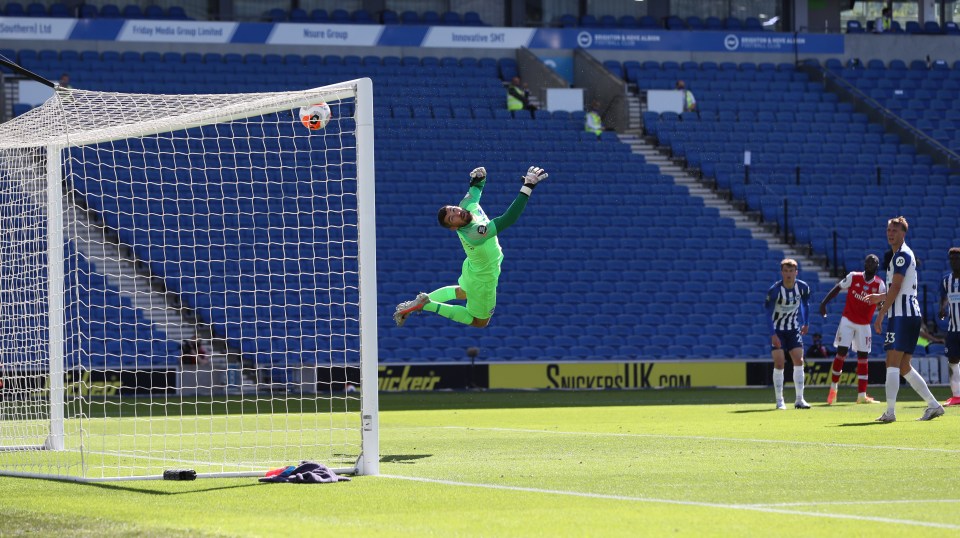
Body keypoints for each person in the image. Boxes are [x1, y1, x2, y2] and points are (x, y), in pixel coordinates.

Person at [393, 165, 549, 328]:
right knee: (479, 322)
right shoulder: (475, 234)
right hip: (483, 278)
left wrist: (479, 177)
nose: (457, 213)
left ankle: (419, 302)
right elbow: (509, 218)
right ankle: (427, 304)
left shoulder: (466, 204)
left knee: (463, 292)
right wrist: (528, 186)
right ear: (454, 228)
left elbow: (476, 188)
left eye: (454, 210)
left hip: (472, 268)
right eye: (452, 218)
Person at [867, 216, 945, 422]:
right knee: (903, 366)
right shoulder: (898, 256)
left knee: (891, 363)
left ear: (903, 233)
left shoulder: (901, 256)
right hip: (909, 314)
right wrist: (882, 300)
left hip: (902, 315)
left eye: (895, 230)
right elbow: (898, 289)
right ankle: (934, 405)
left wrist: (880, 313)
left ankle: (890, 412)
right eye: (888, 230)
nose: (890, 234)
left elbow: (896, 287)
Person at [819, 254, 886, 405]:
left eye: (873, 262)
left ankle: (861, 395)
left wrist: (881, 309)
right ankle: (833, 389)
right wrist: (824, 303)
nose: (870, 264)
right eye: (868, 261)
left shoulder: (880, 284)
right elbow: (837, 288)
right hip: (848, 321)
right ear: (864, 264)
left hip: (864, 325)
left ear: (877, 266)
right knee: (841, 353)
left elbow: (882, 302)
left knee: (863, 358)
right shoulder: (853, 277)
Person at [764, 258, 811, 410]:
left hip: (793, 329)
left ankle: (799, 399)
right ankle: (779, 401)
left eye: (791, 271)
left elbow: (805, 305)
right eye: (786, 271)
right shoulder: (775, 290)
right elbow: (768, 313)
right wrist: (773, 334)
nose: (788, 274)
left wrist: (805, 322)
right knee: (779, 363)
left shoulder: (803, 287)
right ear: (781, 272)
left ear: (796, 272)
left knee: (799, 360)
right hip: (777, 330)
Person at [940, 247, 960, 406]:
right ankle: (956, 395)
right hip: (953, 330)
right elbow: (944, 299)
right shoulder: (947, 281)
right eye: (952, 259)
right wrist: (942, 309)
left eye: (957, 259)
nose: (954, 262)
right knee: (953, 361)